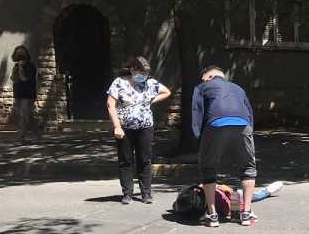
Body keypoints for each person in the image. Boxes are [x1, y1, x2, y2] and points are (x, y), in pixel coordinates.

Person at [192, 66, 259, 227]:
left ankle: (212, 215)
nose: (202, 80)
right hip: (243, 124)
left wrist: (198, 138)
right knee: (248, 167)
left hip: (215, 123)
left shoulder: (202, 87)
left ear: (209, 76)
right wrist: (248, 133)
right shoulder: (238, 88)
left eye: (204, 78)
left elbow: (197, 113)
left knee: (208, 167)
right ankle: (246, 213)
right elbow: (249, 113)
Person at [106, 56, 171, 205]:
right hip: (125, 128)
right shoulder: (120, 82)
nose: (144, 76)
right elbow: (110, 104)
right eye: (141, 72)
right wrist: (116, 126)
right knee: (125, 160)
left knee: (144, 159)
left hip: (145, 127)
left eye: (146, 73)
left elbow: (166, 92)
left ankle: (146, 193)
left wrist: (149, 101)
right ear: (133, 70)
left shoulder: (150, 83)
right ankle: (127, 193)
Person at [172, 181, 283, 220]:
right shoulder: (223, 206)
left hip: (217, 190)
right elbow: (235, 210)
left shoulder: (189, 202)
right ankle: (268, 191)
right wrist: (230, 191)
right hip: (233, 196)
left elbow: (176, 206)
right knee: (254, 196)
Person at [10, 45, 38, 142]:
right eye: (18, 53)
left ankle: (22, 136)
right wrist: (15, 70)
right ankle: (36, 134)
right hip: (18, 94)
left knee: (24, 115)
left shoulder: (30, 66)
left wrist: (21, 69)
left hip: (28, 94)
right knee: (27, 115)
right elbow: (14, 79)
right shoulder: (16, 66)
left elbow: (25, 79)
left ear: (26, 54)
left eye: (22, 53)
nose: (20, 55)